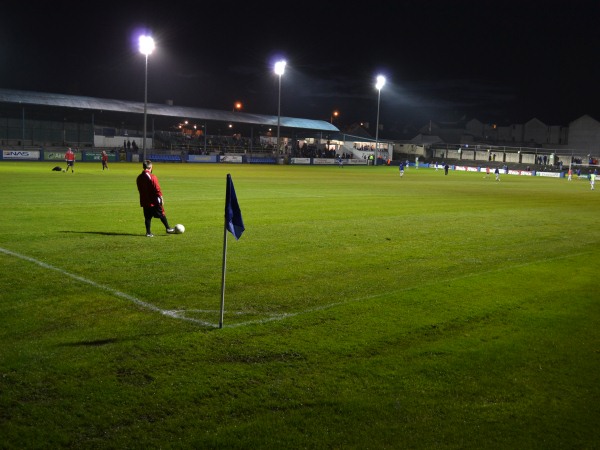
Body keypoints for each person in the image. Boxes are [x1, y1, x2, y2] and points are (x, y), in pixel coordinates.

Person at [136, 160, 176, 237]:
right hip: (154, 200)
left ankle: (148, 233)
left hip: (144, 200)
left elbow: (139, 189)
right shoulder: (152, 176)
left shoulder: (139, 177)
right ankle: (168, 228)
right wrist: (161, 197)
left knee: (147, 217)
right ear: (150, 167)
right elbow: (157, 188)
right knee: (161, 213)